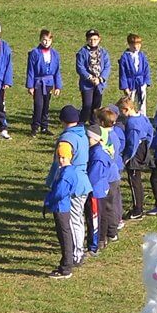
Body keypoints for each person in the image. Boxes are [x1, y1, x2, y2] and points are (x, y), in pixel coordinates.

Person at [46, 105, 90, 265]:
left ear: (62, 120)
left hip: (72, 185)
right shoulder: (82, 134)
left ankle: (76, 254)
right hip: (83, 182)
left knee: (72, 221)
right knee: (78, 219)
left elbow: (64, 164)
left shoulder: (66, 140)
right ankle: (79, 251)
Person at [43, 141, 77, 279]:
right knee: (63, 236)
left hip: (61, 207)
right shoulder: (67, 171)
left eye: (64, 157)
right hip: (62, 206)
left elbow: (59, 193)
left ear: (70, 157)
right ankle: (65, 264)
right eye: (60, 157)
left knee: (64, 237)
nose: (62, 160)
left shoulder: (66, 174)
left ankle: (66, 268)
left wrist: (48, 201)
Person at [120, 96, 154, 220]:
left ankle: (137, 210)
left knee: (134, 181)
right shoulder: (142, 117)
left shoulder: (131, 123)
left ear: (127, 109)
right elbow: (150, 132)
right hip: (143, 147)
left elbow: (132, 143)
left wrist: (127, 158)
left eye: (122, 111)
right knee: (137, 180)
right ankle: (139, 206)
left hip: (134, 153)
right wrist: (147, 145)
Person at [26, 29, 62, 137]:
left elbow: (57, 71)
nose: (46, 42)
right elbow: (30, 70)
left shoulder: (55, 54)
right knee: (38, 105)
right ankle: (35, 127)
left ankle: (44, 126)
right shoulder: (35, 53)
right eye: (44, 40)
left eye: (48, 40)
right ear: (40, 40)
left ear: (51, 41)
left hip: (49, 82)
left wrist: (58, 86)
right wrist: (30, 86)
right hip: (38, 82)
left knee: (46, 105)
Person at [95, 107, 123, 244]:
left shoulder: (105, 137)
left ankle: (108, 233)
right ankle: (112, 231)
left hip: (108, 176)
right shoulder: (115, 134)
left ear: (101, 122)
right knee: (111, 205)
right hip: (114, 173)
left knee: (106, 207)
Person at [85, 124, 113, 254]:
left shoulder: (97, 155)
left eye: (88, 137)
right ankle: (99, 240)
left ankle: (93, 246)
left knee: (94, 218)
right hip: (99, 189)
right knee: (97, 216)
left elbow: (93, 176)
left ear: (95, 139)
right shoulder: (96, 150)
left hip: (95, 191)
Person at [75, 29, 111, 124]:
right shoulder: (82, 52)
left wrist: (100, 79)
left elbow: (107, 66)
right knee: (87, 105)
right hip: (87, 84)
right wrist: (90, 77)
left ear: (99, 39)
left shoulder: (103, 52)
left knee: (96, 105)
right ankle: (81, 122)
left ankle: (94, 123)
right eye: (90, 39)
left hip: (99, 83)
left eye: (95, 39)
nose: (93, 41)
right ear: (87, 40)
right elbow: (80, 67)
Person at [119, 33, 150, 111]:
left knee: (142, 101)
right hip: (130, 83)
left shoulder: (142, 55)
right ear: (129, 45)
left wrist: (146, 82)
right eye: (134, 45)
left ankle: (142, 117)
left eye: (139, 44)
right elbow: (123, 74)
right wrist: (125, 87)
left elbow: (146, 69)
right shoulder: (125, 57)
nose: (136, 47)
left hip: (141, 82)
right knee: (130, 101)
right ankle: (129, 117)